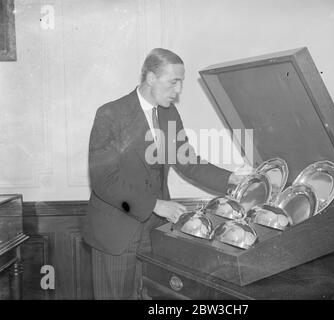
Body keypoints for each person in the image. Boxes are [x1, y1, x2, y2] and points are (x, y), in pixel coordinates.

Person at [82, 48, 244, 299]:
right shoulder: (110, 114)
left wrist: (231, 179)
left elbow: (188, 162)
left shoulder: (168, 114)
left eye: (181, 82)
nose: (178, 90)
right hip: (115, 236)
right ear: (150, 78)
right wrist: (156, 204)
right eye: (173, 82)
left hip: (155, 232)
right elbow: (104, 181)